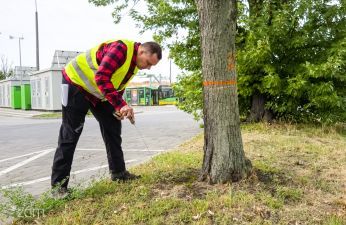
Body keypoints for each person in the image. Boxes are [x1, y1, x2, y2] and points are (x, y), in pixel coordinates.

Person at [51, 39, 162, 196]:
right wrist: (121, 105)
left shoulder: (135, 64)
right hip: (75, 84)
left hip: (97, 93)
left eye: (151, 66)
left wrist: (119, 107)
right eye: (148, 63)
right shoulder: (121, 49)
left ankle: (119, 173)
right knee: (70, 134)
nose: (148, 68)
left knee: (113, 125)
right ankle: (58, 188)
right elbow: (102, 77)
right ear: (142, 52)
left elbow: (118, 85)